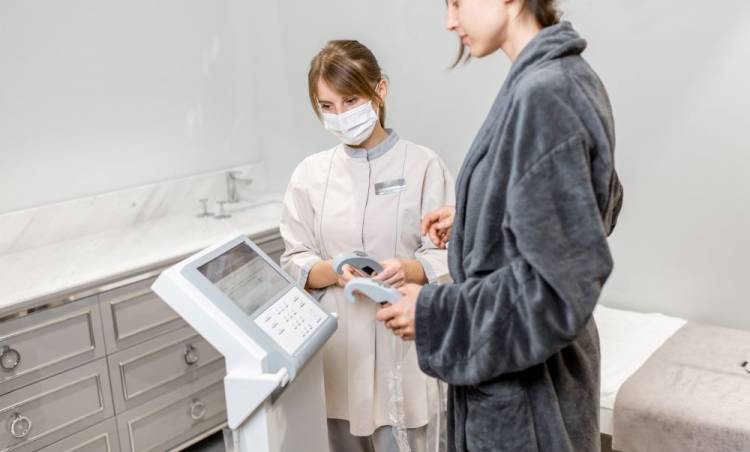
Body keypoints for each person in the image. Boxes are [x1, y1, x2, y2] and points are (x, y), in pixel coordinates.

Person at [377, 1, 624, 451]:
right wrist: (481, 215)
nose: (450, 21)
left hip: (531, 406)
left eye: (457, 2)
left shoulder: (546, 93)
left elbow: (558, 289)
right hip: (525, 385)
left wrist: (433, 313)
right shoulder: (564, 76)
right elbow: (587, 205)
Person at [279, 40, 455, 452]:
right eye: (327, 106)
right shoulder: (310, 174)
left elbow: (447, 253)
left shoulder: (423, 165)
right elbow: (293, 259)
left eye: (351, 100)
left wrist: (407, 269)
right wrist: (334, 269)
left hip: (402, 345)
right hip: (337, 351)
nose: (340, 115)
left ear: (380, 90)